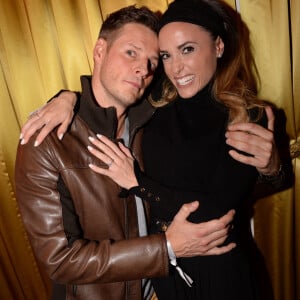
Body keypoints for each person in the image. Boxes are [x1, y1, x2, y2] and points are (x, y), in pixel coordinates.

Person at [14, 5, 238, 300]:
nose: (143, 69)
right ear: (99, 50)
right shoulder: (46, 142)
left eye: (153, 61)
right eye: (131, 52)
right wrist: (167, 247)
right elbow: (60, 260)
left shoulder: (154, 121)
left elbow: (218, 184)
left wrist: (271, 167)